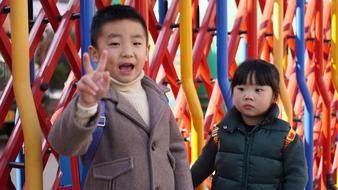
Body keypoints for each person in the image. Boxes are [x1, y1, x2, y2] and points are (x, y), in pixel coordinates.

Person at [48, 5, 193, 190]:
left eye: (136, 43)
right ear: (95, 53)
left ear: (147, 51)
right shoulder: (93, 98)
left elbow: (176, 152)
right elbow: (64, 144)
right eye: (115, 44)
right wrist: (85, 105)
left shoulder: (157, 97)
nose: (127, 51)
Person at [191, 59, 308, 190]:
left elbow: (297, 177)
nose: (248, 96)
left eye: (258, 90)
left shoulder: (286, 136)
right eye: (241, 89)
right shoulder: (222, 131)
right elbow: (201, 168)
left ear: (274, 96)